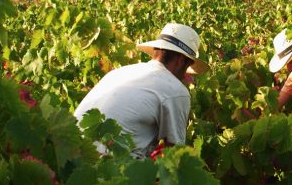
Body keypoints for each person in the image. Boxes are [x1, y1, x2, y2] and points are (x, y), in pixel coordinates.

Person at [74, 23, 209, 158]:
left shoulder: (120, 72)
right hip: (107, 164)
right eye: (187, 67)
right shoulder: (175, 89)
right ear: (180, 60)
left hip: (72, 152)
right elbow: (173, 153)